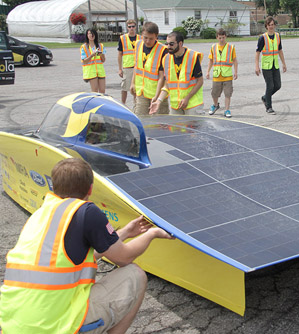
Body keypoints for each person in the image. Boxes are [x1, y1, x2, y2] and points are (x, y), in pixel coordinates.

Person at [0, 158, 174, 333]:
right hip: (53, 327)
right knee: (135, 274)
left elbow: (79, 257)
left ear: (54, 186)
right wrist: (153, 234)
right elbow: (124, 258)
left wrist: (126, 233)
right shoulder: (86, 212)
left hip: (14, 324)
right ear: (90, 188)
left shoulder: (40, 215)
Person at [150, 31, 203, 115]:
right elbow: (167, 85)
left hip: (193, 105)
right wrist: (158, 101)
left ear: (180, 43)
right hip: (175, 106)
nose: (168, 47)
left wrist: (187, 98)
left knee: (193, 128)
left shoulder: (192, 57)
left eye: (171, 44)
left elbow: (200, 81)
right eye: (166, 44)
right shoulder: (166, 59)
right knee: (175, 128)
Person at [131, 21, 169, 115]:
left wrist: (157, 96)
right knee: (141, 119)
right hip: (141, 92)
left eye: (151, 39)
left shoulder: (163, 50)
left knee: (159, 124)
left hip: (157, 93)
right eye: (145, 38)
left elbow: (162, 76)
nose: (147, 41)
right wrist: (133, 83)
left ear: (157, 36)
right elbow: (137, 66)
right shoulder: (138, 45)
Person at [255, 16, 287, 115]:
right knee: (270, 86)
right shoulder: (263, 38)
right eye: (269, 25)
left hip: (275, 65)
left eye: (272, 25)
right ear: (266, 26)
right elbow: (257, 52)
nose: (271, 27)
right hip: (266, 66)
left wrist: (283, 63)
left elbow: (280, 50)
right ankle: (269, 107)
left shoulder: (277, 36)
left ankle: (265, 97)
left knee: (277, 85)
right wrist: (257, 66)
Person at [206, 28, 238, 118]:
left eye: (223, 38)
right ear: (217, 38)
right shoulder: (213, 47)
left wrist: (235, 71)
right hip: (217, 75)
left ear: (225, 37)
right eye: (220, 38)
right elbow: (211, 60)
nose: (221, 40)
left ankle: (227, 110)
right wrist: (208, 71)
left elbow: (235, 60)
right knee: (214, 93)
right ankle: (215, 105)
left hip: (227, 75)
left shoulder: (231, 47)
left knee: (228, 94)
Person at [118, 19, 141, 107]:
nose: (131, 28)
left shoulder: (140, 38)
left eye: (133, 26)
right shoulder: (123, 38)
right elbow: (120, 54)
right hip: (127, 66)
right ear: (127, 28)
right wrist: (120, 69)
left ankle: (136, 105)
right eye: (129, 27)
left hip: (138, 67)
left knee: (136, 88)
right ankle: (123, 105)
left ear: (136, 27)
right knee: (124, 87)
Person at [81, 29, 106, 94]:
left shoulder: (100, 46)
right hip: (91, 71)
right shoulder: (84, 47)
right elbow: (84, 61)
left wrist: (101, 55)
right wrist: (91, 55)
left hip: (100, 71)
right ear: (87, 35)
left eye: (93, 34)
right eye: (89, 34)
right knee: (94, 91)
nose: (91, 35)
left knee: (102, 91)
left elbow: (103, 60)